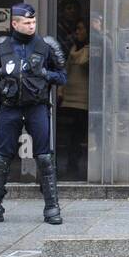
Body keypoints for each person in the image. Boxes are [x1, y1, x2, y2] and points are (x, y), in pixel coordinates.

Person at [0, 3, 67, 226]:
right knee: (0, 158)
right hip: (9, 106)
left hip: (37, 106)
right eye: (26, 23)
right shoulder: (1, 46)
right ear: (14, 23)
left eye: (33, 22)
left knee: (45, 157)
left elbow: (63, 77)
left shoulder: (47, 45)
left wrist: (45, 73)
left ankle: (52, 208)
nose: (31, 26)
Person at [57, 17, 89, 178]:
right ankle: (71, 165)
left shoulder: (90, 49)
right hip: (70, 100)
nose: (77, 32)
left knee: (78, 135)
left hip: (84, 101)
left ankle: (77, 166)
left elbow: (83, 62)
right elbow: (66, 70)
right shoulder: (73, 48)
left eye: (81, 29)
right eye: (76, 28)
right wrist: (60, 90)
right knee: (72, 136)